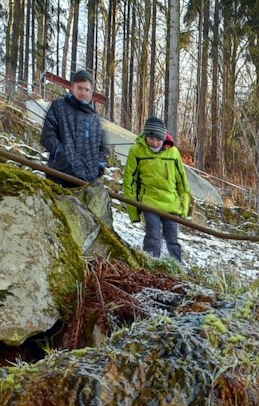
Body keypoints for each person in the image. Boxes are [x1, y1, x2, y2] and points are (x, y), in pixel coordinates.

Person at [123, 117, 192, 264]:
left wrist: (183, 209)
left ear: (164, 138)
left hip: (171, 204)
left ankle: (177, 269)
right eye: (151, 138)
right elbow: (130, 182)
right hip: (150, 202)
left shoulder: (173, 153)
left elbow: (182, 183)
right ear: (145, 136)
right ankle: (150, 267)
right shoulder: (137, 151)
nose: (155, 143)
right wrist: (134, 210)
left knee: (172, 240)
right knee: (153, 237)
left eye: (158, 140)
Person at [41, 70, 111, 189]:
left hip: (87, 182)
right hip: (60, 176)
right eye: (80, 88)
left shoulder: (95, 120)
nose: (83, 93)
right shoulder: (59, 107)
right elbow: (48, 136)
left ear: (91, 92)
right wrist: (62, 154)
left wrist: (98, 167)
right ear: (73, 87)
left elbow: (103, 149)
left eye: (87, 90)